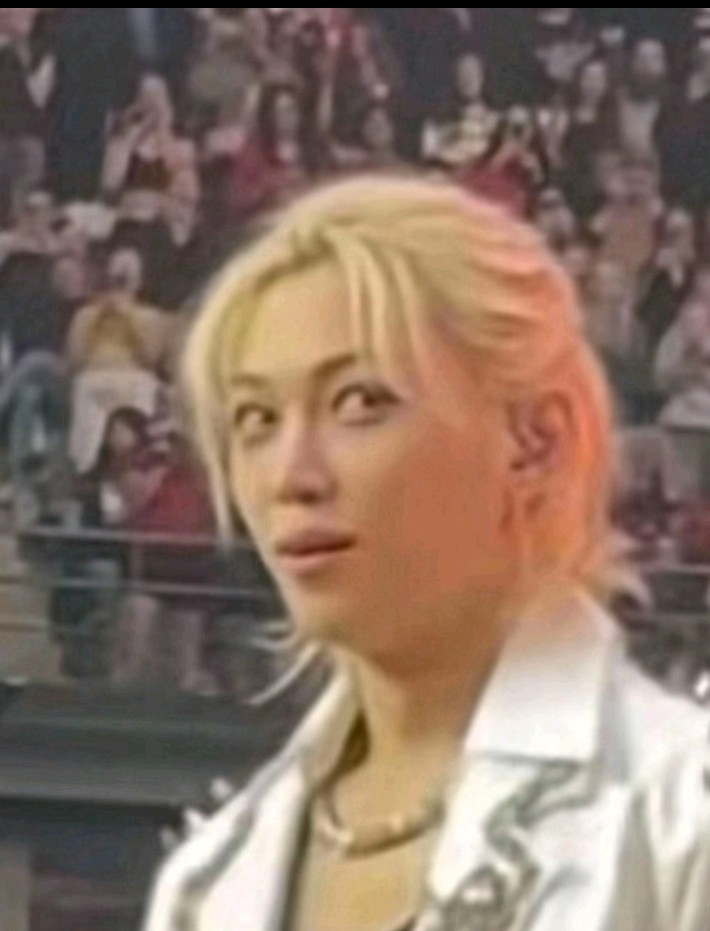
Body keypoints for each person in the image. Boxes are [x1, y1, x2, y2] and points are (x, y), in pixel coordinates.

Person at [142, 175, 710, 931]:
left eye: (358, 402)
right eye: (255, 419)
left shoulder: (679, 820)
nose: (290, 476)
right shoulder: (209, 882)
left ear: (536, 441)